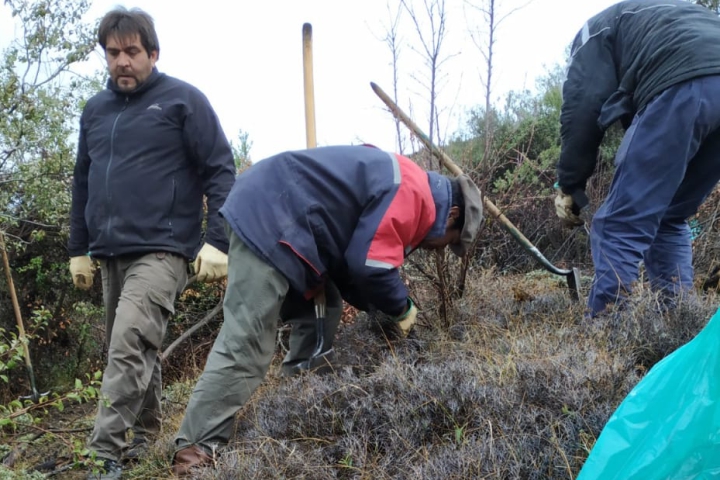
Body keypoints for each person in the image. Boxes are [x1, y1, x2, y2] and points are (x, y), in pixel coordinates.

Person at [170, 144, 484, 475]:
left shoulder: (407, 182)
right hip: (270, 217)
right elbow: (370, 267)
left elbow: (351, 267)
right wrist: (402, 308)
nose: (439, 248)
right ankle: (195, 454)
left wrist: (380, 309)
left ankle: (297, 405)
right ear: (451, 216)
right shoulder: (412, 191)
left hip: (289, 224)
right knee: (247, 341)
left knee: (324, 308)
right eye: (449, 241)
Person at [67, 6, 236, 479]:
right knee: (135, 346)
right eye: (113, 52)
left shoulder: (183, 101)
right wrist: (77, 247)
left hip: (164, 249)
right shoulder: (95, 110)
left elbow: (221, 169)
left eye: (132, 52)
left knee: (127, 344)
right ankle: (143, 438)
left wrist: (217, 240)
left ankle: (102, 457)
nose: (122, 61)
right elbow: (83, 180)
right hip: (109, 250)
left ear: (153, 53)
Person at [554, 0, 720, 317]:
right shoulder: (667, 15)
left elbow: (584, 105)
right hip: (703, 80)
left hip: (684, 81)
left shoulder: (592, 33)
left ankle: (610, 338)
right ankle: (678, 323)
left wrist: (569, 184)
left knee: (618, 225)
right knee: (670, 217)